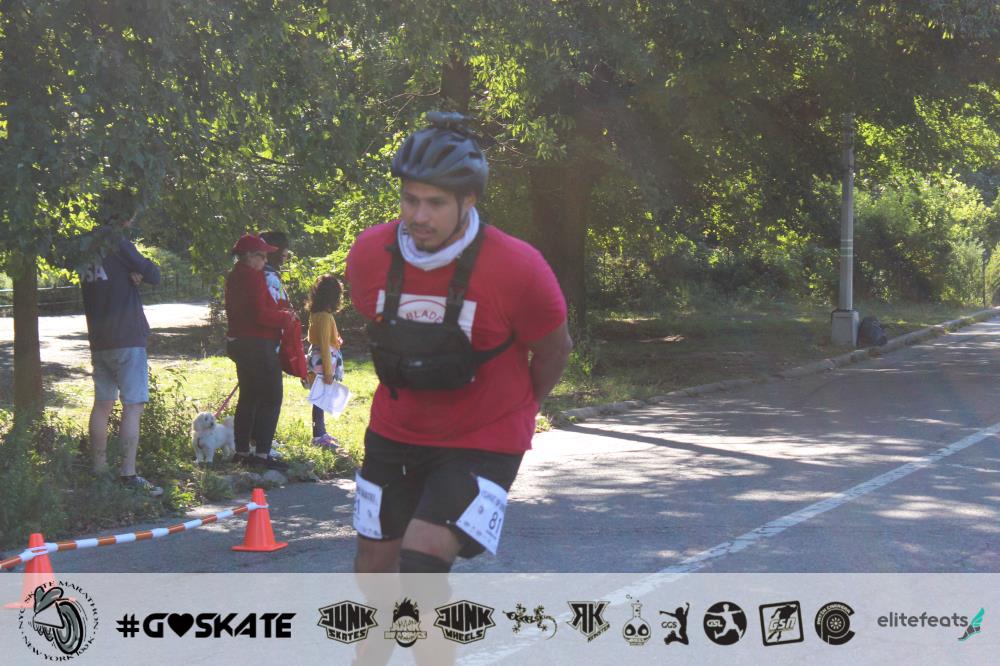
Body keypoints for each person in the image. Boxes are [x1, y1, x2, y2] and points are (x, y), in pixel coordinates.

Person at [345, 112, 573, 576]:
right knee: (373, 568)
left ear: (468, 200)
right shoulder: (369, 253)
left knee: (423, 558)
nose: (419, 216)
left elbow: (555, 350)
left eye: (435, 203)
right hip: (396, 431)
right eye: (410, 200)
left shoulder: (518, 267)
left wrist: (523, 409)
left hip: (484, 437)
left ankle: (426, 627)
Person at [80, 189, 163, 496]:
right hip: (127, 336)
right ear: (124, 216)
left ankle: (99, 469)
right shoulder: (118, 241)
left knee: (102, 404)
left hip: (99, 338)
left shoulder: (86, 245)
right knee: (133, 405)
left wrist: (131, 274)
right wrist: (138, 270)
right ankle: (128, 473)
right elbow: (153, 273)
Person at [224, 233, 295, 470]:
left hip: (238, 343)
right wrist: (285, 317)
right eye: (262, 256)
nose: (265, 261)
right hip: (258, 343)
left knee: (248, 396)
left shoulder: (233, 276)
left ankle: (242, 451)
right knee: (272, 397)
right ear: (248, 256)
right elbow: (260, 314)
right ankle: (263, 455)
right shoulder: (253, 277)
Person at [305, 274, 345, 447]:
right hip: (322, 363)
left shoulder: (317, 314)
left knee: (320, 399)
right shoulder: (324, 317)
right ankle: (318, 436)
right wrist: (328, 372)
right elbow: (324, 345)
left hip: (319, 360)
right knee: (320, 400)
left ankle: (321, 432)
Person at [259, 230, 291, 307]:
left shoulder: (256, 274)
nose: (283, 261)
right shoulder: (270, 278)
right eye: (283, 255)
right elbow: (281, 305)